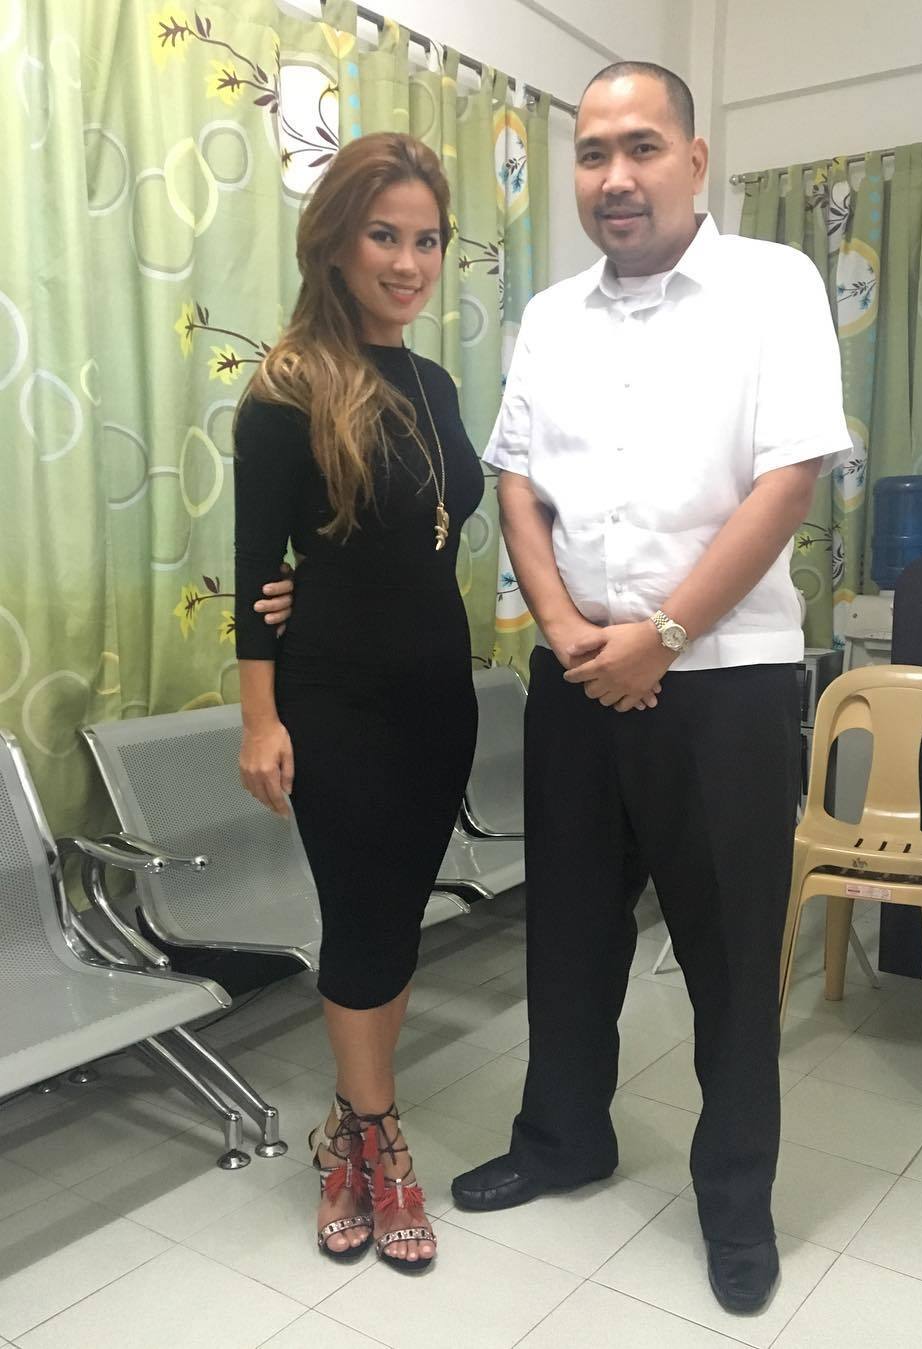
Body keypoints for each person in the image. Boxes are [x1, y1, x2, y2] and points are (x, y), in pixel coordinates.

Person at [446, 63, 851, 1314]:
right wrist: (569, 628)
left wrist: (663, 635)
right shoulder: (551, 315)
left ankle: (735, 1201)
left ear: (695, 158)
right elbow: (517, 481)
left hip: (723, 680)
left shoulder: (774, 285)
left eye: (641, 148)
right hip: (575, 672)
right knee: (568, 929)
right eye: (592, 154)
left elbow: (789, 478)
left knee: (728, 951)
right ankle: (565, 1138)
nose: (614, 177)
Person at [233, 132, 483, 1272]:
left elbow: (425, 534)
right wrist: (260, 719)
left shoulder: (435, 384)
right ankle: (374, 1142)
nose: (409, 261)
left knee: (397, 913)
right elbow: (255, 576)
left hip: (438, 694)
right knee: (359, 917)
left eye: (427, 239)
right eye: (385, 235)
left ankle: (349, 1118)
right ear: (335, 243)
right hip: (335, 700)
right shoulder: (286, 388)